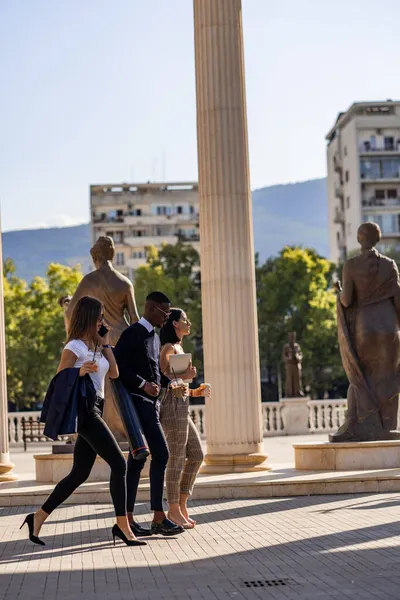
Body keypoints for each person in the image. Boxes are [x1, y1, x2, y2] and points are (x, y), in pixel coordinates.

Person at [20, 296, 146, 547]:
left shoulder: (96, 345)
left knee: (79, 473)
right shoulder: (75, 347)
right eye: (99, 317)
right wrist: (78, 371)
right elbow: (58, 380)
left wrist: (106, 342)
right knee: (119, 465)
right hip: (86, 411)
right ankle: (122, 525)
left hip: (96, 406)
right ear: (89, 318)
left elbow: (115, 373)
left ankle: (37, 517)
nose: (102, 321)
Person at [114, 292, 184, 537]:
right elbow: (118, 367)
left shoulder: (153, 337)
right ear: (152, 308)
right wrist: (143, 384)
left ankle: (128, 520)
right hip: (138, 404)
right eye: (165, 313)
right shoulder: (132, 333)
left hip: (151, 405)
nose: (167, 318)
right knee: (161, 453)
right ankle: (158, 517)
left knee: (137, 459)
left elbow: (155, 372)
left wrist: (172, 381)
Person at [60, 236, 139, 439]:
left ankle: (98, 431)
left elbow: (72, 313)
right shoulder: (125, 282)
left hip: (97, 338)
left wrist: (66, 311)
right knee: (119, 385)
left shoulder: (89, 281)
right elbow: (135, 319)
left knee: (97, 384)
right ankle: (124, 429)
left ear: (96, 256)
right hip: (122, 338)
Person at [331, 222, 400, 442]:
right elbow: (399, 303)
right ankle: (388, 425)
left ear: (360, 239)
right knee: (388, 375)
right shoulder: (390, 265)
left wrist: (338, 291)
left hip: (364, 327)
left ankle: (363, 421)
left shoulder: (351, 265)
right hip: (389, 327)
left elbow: (347, 300)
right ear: (378, 239)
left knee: (362, 374)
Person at [159, 308, 210, 528]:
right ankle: (172, 510)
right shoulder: (168, 347)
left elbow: (179, 386)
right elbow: (161, 376)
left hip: (183, 405)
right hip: (171, 408)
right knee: (176, 458)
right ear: (174, 324)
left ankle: (181, 505)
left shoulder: (179, 347)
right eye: (184, 320)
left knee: (197, 454)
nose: (188, 323)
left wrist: (196, 390)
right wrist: (183, 376)